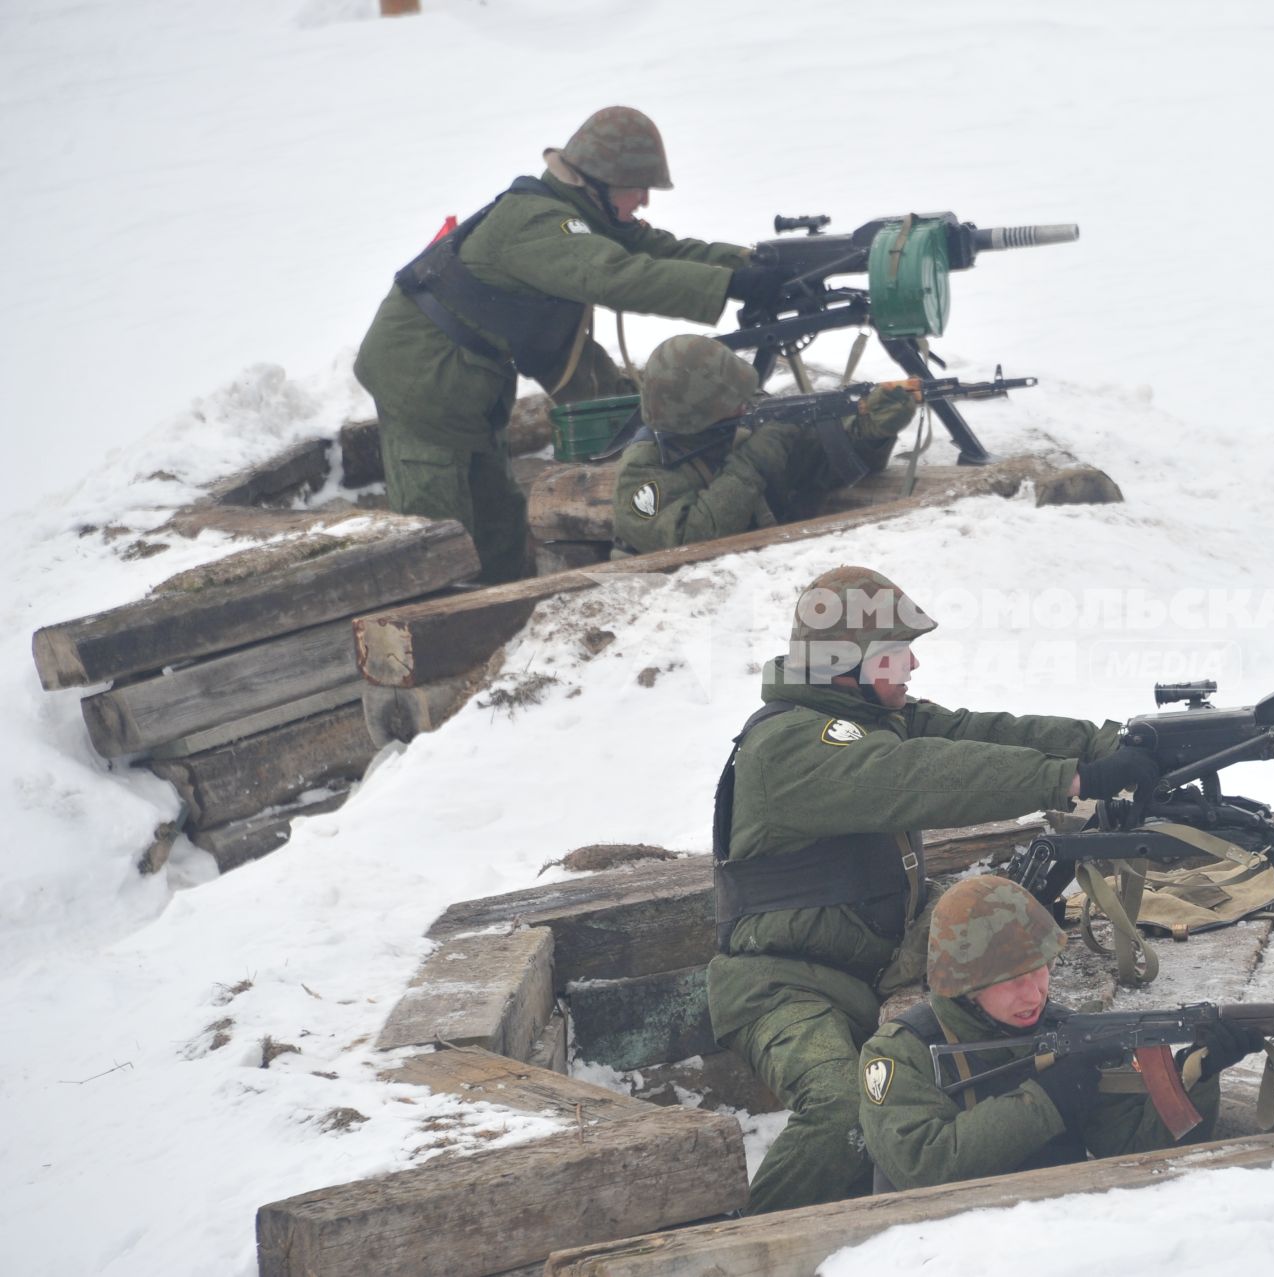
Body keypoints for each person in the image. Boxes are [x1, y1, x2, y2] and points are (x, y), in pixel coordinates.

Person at [705, 565, 1163, 1214]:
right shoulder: (787, 747)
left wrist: (1106, 745)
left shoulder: (870, 714)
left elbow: (980, 734)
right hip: (783, 983)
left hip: (878, 967)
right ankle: (741, 1250)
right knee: (843, 1108)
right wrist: (1072, 778)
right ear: (844, 665)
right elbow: (921, 776)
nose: (913, 664)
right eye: (894, 654)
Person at [353, 106, 786, 582]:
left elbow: (660, 250)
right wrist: (728, 288)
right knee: (437, 534)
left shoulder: (580, 213)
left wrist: (747, 266)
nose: (644, 200)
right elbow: (615, 274)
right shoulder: (539, 224)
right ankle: (441, 635)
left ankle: (505, 618)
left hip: (466, 378)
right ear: (599, 181)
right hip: (421, 377)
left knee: (496, 517)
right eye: (636, 187)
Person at [858, 875, 1265, 1191]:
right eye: (1012, 980)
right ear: (966, 984)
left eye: (1040, 970)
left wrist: (1196, 1073)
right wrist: (1047, 1099)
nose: (1033, 992)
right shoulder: (900, 1053)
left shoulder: (1067, 1033)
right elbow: (923, 1169)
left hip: (1056, 1236)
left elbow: (1135, 1151)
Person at [610, 335, 918, 555]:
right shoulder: (644, 467)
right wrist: (755, 460)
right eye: (732, 402)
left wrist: (873, 429)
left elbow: (823, 464)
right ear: (696, 413)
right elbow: (691, 540)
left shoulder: (743, 424)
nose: (744, 407)